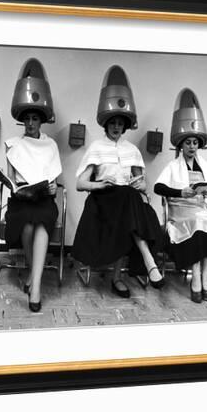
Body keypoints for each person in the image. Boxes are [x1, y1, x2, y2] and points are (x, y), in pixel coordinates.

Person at [72, 65, 164, 298]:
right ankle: (145, 261)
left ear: (125, 125)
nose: (116, 127)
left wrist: (139, 184)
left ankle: (120, 276)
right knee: (127, 200)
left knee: (130, 197)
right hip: (103, 200)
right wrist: (100, 185)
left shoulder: (132, 150)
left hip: (126, 201)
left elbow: (142, 185)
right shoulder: (96, 147)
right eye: (112, 123)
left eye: (120, 124)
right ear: (106, 124)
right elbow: (80, 184)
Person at [2, 58, 62, 312]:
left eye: (35, 119)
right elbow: (12, 179)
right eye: (27, 119)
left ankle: (35, 285)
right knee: (27, 225)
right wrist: (16, 187)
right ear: (22, 120)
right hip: (21, 200)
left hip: (44, 200)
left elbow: (55, 181)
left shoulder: (50, 144)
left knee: (41, 222)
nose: (30, 123)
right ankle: (32, 272)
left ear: (41, 120)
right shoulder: (13, 143)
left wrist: (52, 188)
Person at [154, 88, 207, 303]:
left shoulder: (205, 166)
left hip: (201, 208)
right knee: (197, 224)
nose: (192, 147)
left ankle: (204, 279)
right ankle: (195, 280)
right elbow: (158, 188)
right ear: (181, 145)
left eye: (195, 143)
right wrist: (180, 191)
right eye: (188, 143)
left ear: (199, 145)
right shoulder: (173, 166)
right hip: (181, 210)